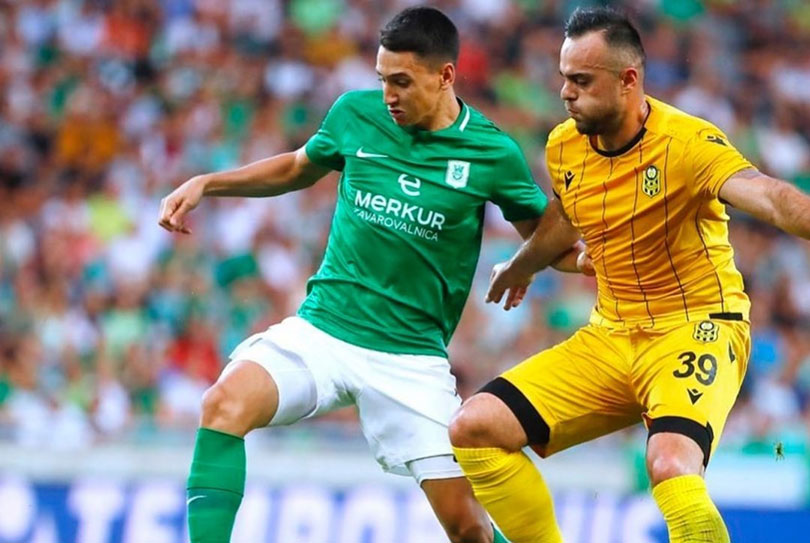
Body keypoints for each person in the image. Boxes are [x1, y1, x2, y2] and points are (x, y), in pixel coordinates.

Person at [159, 7, 583, 543]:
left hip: (410, 359)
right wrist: (208, 183)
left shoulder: (491, 152)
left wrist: (580, 262)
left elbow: (546, 237)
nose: (388, 96)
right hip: (325, 330)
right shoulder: (355, 114)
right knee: (223, 403)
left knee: (468, 528)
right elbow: (296, 167)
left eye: (401, 82)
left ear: (445, 75)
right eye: (382, 79)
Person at [448, 7, 810, 543]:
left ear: (628, 80)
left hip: (696, 328)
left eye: (581, 81)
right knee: (474, 427)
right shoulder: (565, 144)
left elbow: (772, 199)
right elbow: (564, 219)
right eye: (564, 79)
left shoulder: (686, 143)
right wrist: (520, 264)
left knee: (669, 464)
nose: (566, 93)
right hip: (611, 336)